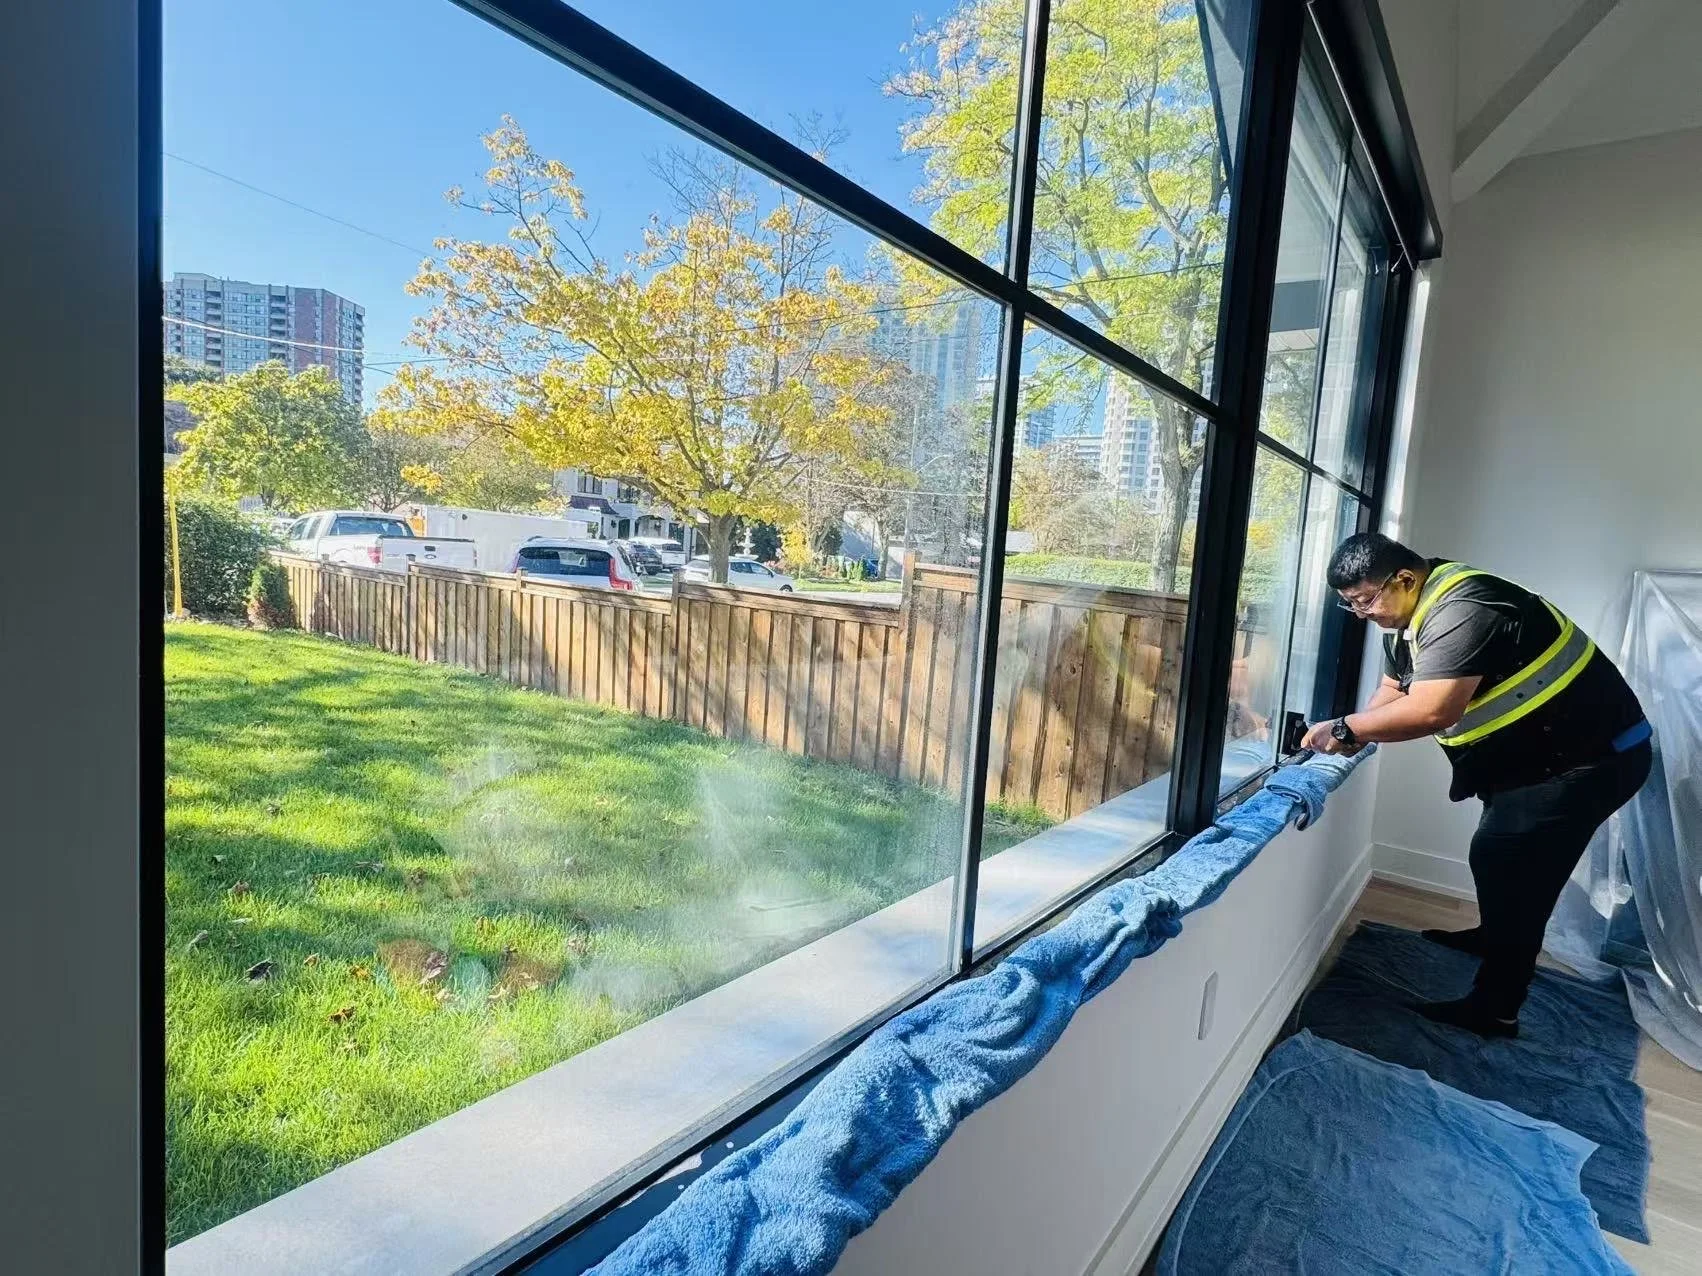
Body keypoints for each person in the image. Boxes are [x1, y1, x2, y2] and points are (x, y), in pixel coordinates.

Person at [1302, 533, 1651, 1037]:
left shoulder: (1464, 607)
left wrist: (1344, 730)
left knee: (1511, 866)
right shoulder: (1407, 620)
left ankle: (1496, 1009)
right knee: (1499, 857)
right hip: (1534, 763)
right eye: (1349, 604)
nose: (1360, 613)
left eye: (1365, 600)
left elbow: (1432, 710)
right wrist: (1355, 735)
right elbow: (1392, 691)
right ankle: (1496, 936)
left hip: (1591, 760)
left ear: (1404, 579)